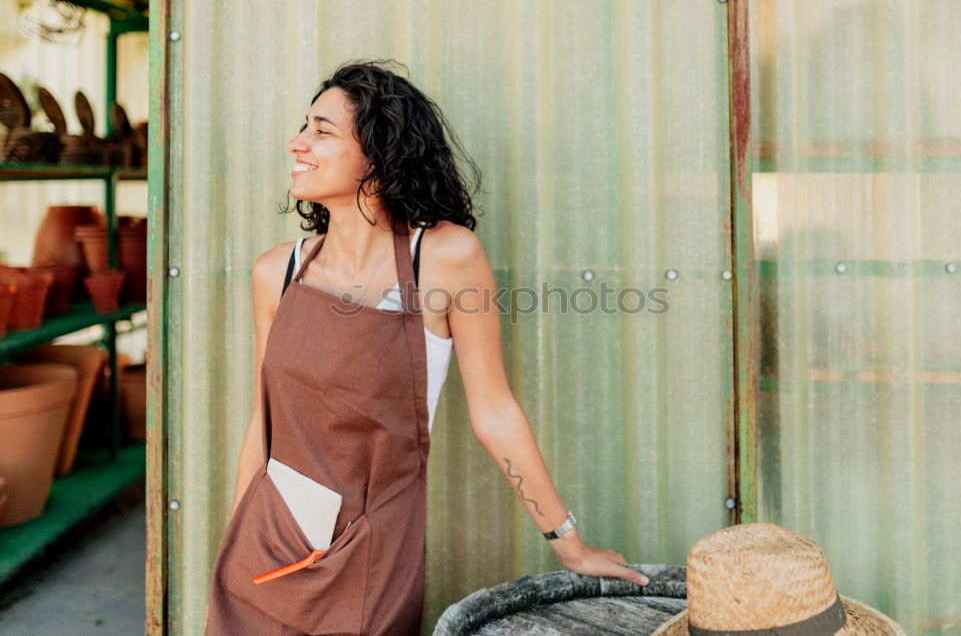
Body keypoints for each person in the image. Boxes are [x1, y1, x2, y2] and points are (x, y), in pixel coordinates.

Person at [205, 60, 647, 635]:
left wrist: (567, 542)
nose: (297, 143)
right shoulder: (277, 272)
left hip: (370, 559)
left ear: (378, 153)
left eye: (321, 130)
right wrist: (237, 547)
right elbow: (263, 424)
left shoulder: (444, 258)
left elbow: (494, 412)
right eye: (303, 127)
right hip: (265, 552)